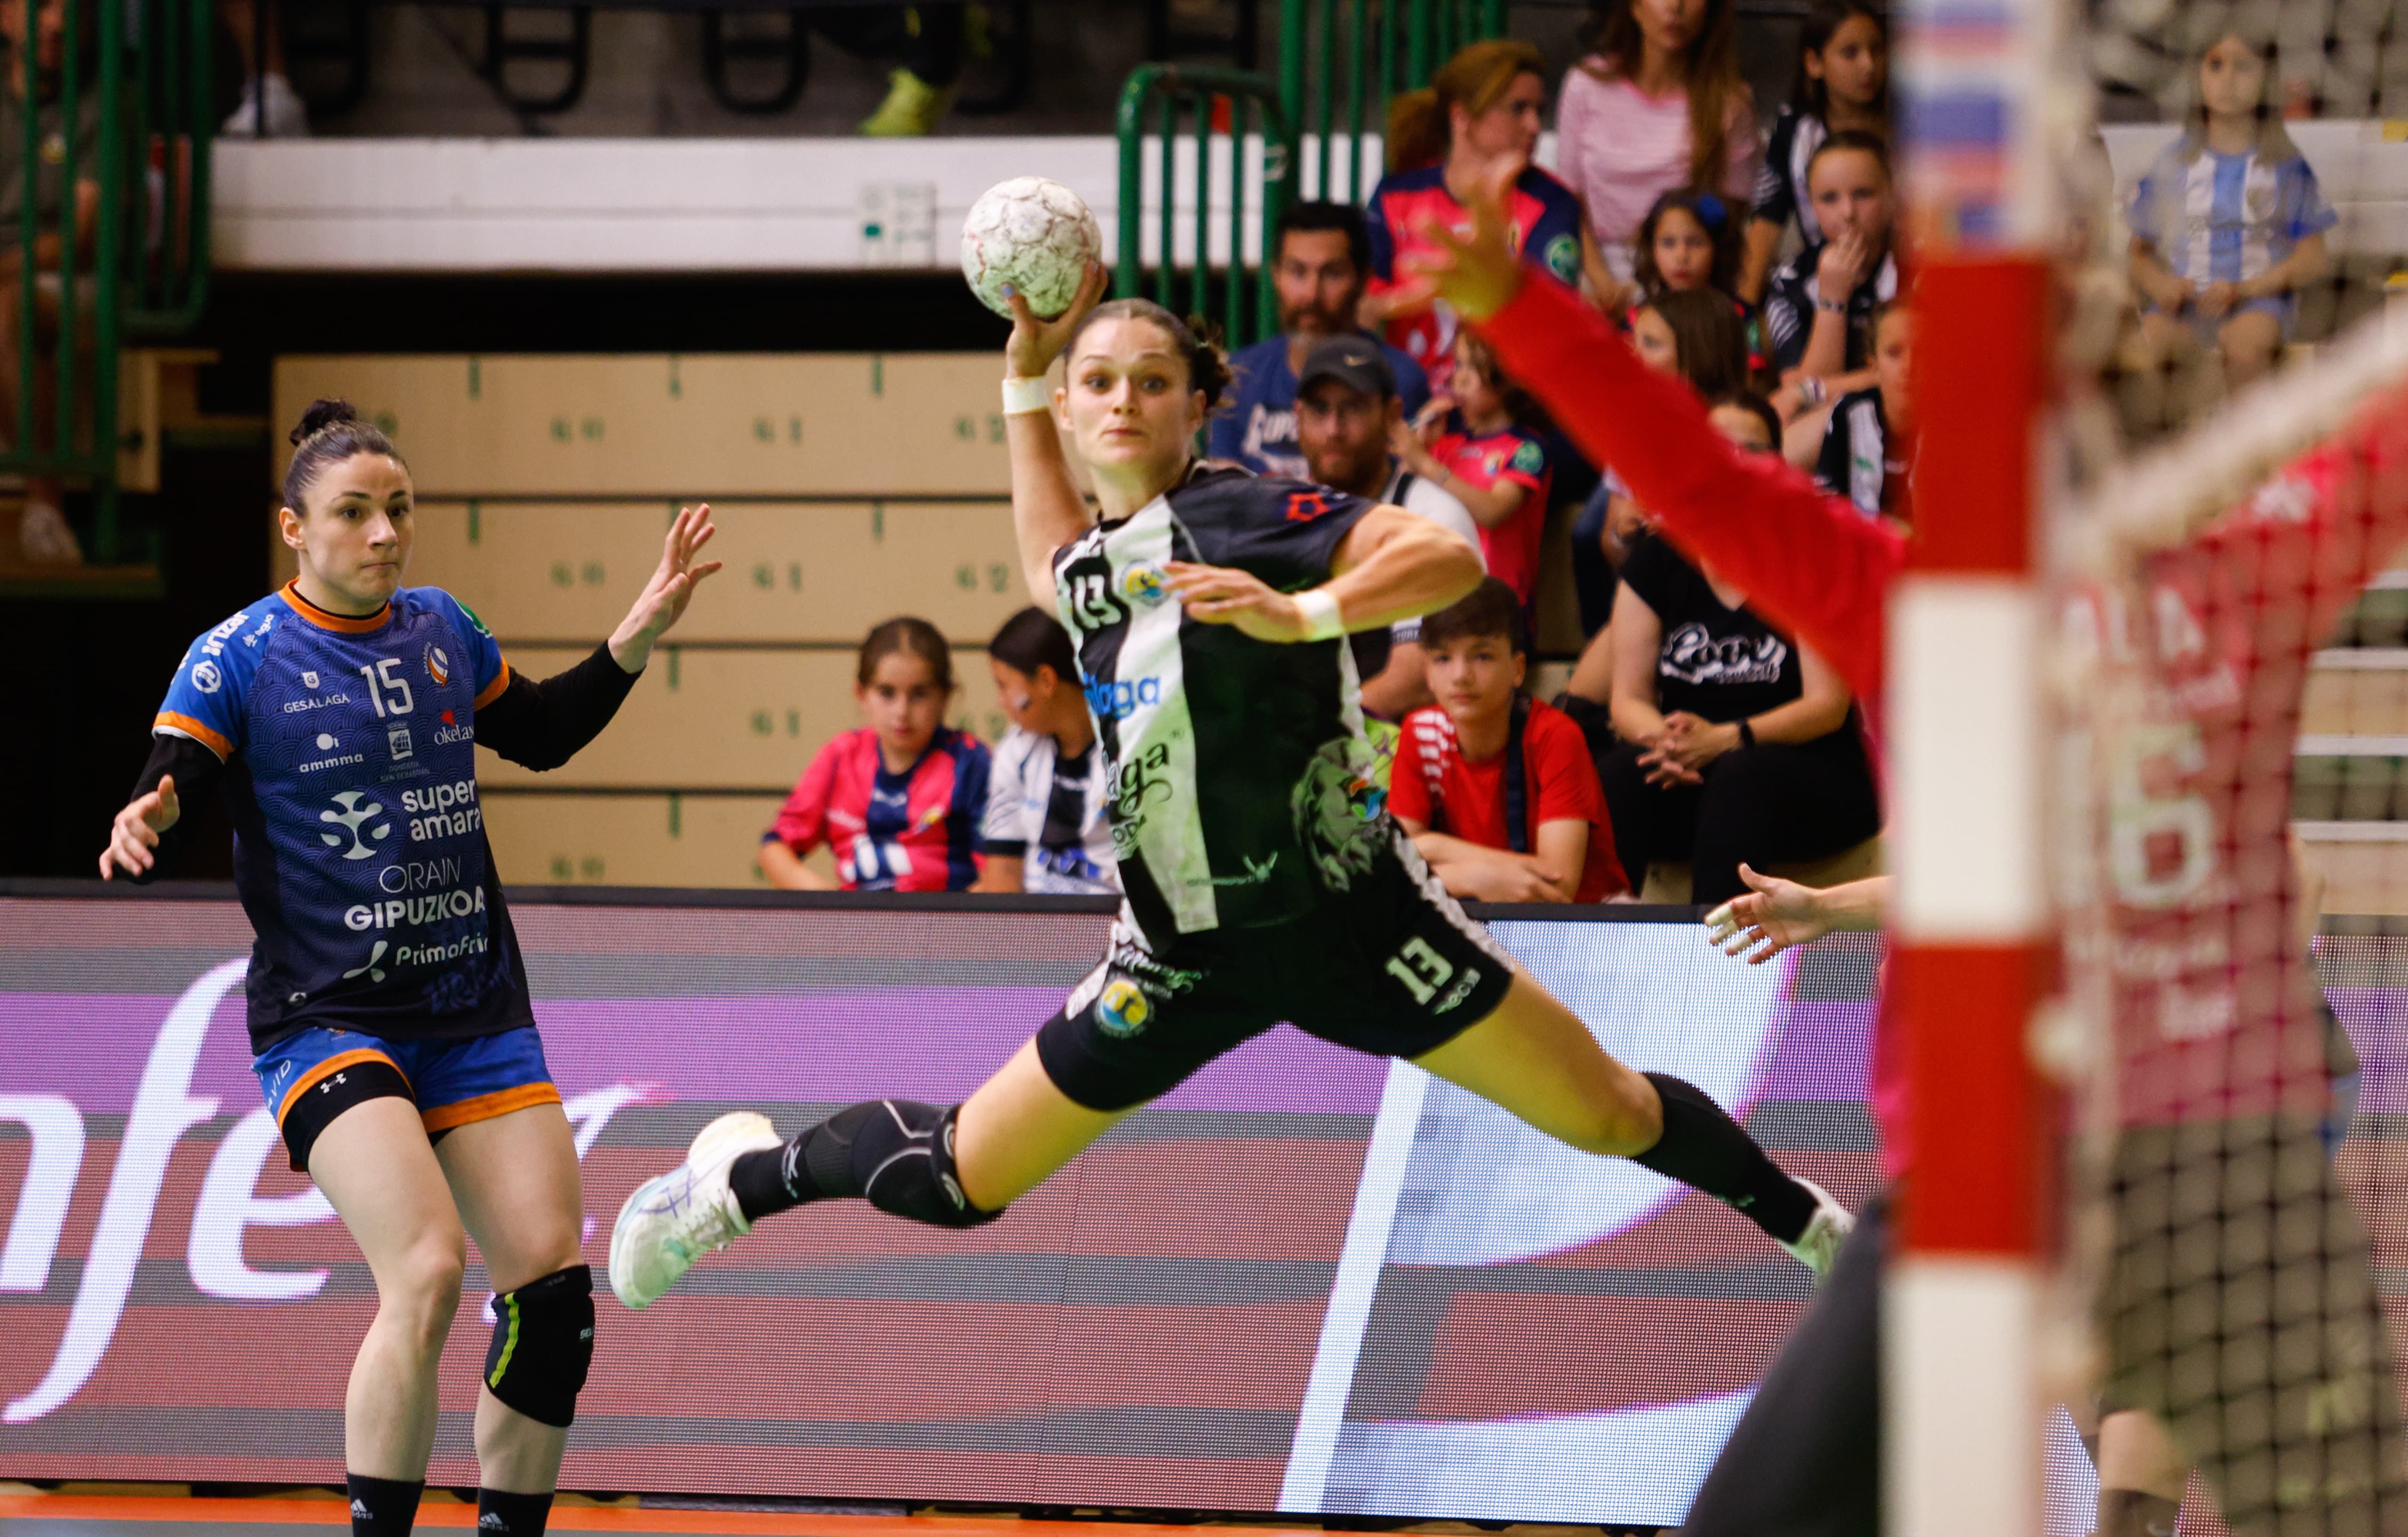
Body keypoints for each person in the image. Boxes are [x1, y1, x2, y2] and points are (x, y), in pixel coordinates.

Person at [1407, 157, 2408, 1537]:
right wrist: (1513, 303)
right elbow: (1689, 473)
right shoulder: (1919, 594)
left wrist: (1512, 300)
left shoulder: (2200, 589)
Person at [606, 261, 1852, 1325]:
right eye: (1099, 379)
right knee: (957, 1181)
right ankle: (729, 1181)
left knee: (1613, 1109)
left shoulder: (1250, 516)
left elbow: (1446, 552)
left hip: (1357, 927)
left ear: (1202, 402)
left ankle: (1820, 1241)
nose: (1123, 398)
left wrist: (1302, 608)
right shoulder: (1095, 565)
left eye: (1153, 377)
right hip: (1177, 959)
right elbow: (1049, 548)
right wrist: (1020, 385)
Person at [99, 401, 720, 1537]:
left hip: (474, 1010)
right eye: (354, 514)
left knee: (554, 1298)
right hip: (331, 1020)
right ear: (294, 528)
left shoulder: (440, 628)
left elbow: (537, 734)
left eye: (398, 510)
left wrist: (637, 631)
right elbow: (176, 768)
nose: (385, 534)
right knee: (428, 1270)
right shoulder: (236, 655)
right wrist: (152, 807)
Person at [1586, 402, 1877, 906]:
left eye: (1752, 449)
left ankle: (1716, 960)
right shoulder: (1658, 558)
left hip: (1809, 774)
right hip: (1695, 769)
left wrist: (1725, 739)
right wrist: (1671, 745)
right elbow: (1626, 698)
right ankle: (1603, 944)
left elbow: (1826, 706)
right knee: (1618, 772)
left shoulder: (1805, 554)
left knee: (1740, 776)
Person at [1361, 39, 1583, 394]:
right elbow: (1364, 305)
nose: (1534, 126)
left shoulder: (1552, 203)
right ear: (1462, 116)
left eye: (1537, 111)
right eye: (1517, 109)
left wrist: (1415, 295)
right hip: (1404, 402)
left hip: (1506, 407)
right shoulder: (1395, 195)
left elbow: (1547, 319)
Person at [2127, 18, 2334, 393]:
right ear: (2198, 75)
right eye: (2216, 65)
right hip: (2185, 308)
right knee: (2151, 341)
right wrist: (2162, 285)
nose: (2228, 80)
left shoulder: (2285, 166)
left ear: (2267, 80)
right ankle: (2173, 446)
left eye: (2243, 67)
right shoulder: (2173, 163)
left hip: (2259, 304)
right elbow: (2137, 253)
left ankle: (2250, 446)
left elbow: (2313, 258)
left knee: (2244, 346)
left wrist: (2250, 288)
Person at [1390, 576, 1627, 904]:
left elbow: (1557, 887)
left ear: (1518, 669)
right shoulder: (1420, 731)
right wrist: (1473, 877)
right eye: (1443, 658)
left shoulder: (1555, 735)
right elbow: (1390, 863)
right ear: (1427, 673)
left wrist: (1432, 847)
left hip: (1589, 923)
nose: (1460, 675)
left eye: (1482, 656)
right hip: (1478, 911)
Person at [1290, 334, 1481, 721]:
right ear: (1297, 415)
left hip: (1410, 746)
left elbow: (1415, 681)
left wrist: (1312, 734)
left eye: (1354, 409)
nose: (1333, 429)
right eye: (1319, 409)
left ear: (1393, 415)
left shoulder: (1431, 517)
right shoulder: (1284, 515)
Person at [1553, 0, 1759, 315]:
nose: (1676, 7)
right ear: (1634, 6)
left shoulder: (1730, 100)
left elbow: (1731, 214)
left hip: (1685, 271)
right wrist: (1602, 281)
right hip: (1595, 268)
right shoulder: (1586, 84)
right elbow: (1567, 200)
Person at [758, 617, 989, 892]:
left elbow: (999, 876)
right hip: (856, 932)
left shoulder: (971, 762)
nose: (902, 712)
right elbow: (774, 849)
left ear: (945, 697)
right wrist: (833, 911)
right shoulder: (840, 757)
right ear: (862, 694)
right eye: (887, 693)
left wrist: (956, 930)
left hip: (946, 932)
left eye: (919, 694)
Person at [1571, 290, 1752, 635]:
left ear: (1699, 353)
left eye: (1651, 344)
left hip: (1735, 607)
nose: (1633, 355)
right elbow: (1613, 548)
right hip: (1658, 601)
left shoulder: (1743, 430)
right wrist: (1624, 534)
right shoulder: (1633, 431)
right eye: (1634, 341)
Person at [1209, 201, 1433, 478]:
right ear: (1275, 275)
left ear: (1364, 279)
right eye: (1297, 272)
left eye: (1332, 274)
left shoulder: (1399, 380)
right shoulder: (1238, 376)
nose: (1312, 294)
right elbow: (1221, 490)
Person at [1, 0, 95, 565]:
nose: (58, 23)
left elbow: (84, 239)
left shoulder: (101, 103)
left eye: (73, 10)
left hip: (68, 280)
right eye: (42, 6)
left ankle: (44, 505)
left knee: (7, 307)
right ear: (6, 16)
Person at [1390, 330, 1556, 613]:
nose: (1460, 378)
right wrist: (1422, 445)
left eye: (1475, 368)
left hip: (1501, 604)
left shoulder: (1527, 449)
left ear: (1508, 379)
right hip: (1443, 596)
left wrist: (1425, 463)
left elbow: (1492, 512)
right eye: (1458, 365)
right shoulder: (1444, 445)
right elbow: (1397, 508)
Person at [1740, 0, 1888, 305]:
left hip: (1896, 280)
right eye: (1851, 53)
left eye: (1877, 50)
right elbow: (1767, 220)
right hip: (1819, 282)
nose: (1868, 66)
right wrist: (1745, 309)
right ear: (1814, 63)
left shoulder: (1913, 126)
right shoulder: (1795, 130)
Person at [975, 606, 1115, 895]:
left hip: (1114, 926)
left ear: (1046, 681)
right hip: (1034, 927)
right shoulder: (1014, 753)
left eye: (1004, 686)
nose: (1001, 702)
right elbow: (1003, 873)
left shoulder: (1126, 750)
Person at [1761, 131, 1900, 412]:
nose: (1848, 212)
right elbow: (1801, 401)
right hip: (1828, 424)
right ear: (1812, 206)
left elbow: (1918, 378)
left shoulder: (1918, 269)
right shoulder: (1789, 281)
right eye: (1829, 198)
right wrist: (1832, 301)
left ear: (1891, 197)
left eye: (1863, 194)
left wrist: (1817, 390)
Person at [1811, 301, 1913, 518]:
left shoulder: (1953, 427)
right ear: (1873, 366)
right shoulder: (1848, 414)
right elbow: (1827, 510)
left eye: (1923, 352)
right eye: (1895, 353)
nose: (1909, 367)